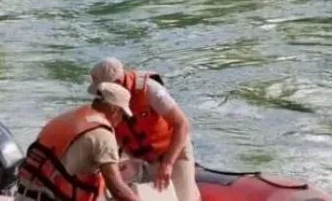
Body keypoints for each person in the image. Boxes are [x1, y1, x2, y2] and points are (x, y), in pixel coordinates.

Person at [88, 58, 199, 201]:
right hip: (142, 157)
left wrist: (167, 164)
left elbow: (182, 124)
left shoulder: (151, 90)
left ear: (117, 83)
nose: (100, 95)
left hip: (173, 152)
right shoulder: (108, 101)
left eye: (103, 90)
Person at [14, 82, 143, 201]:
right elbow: (117, 190)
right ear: (115, 110)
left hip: (22, 195)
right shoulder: (103, 135)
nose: (121, 121)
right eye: (123, 116)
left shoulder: (71, 117)